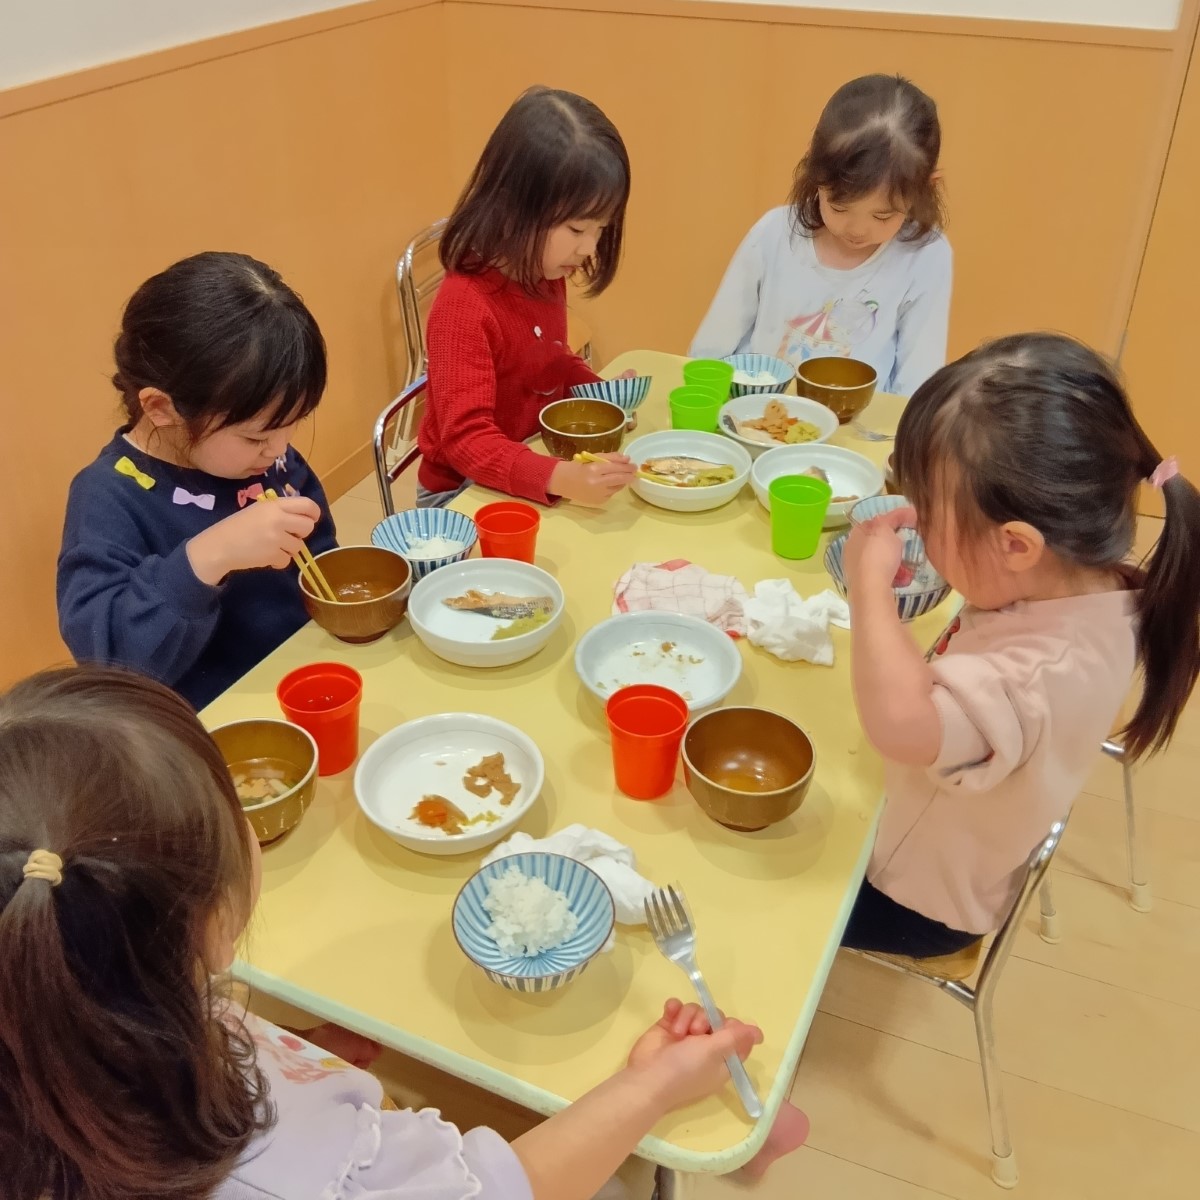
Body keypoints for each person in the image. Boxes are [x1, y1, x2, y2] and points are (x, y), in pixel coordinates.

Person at [0, 665, 765, 1200]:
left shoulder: (68, 1000)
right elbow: (505, 1188)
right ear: (215, 916)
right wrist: (653, 1085)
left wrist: (295, 1048)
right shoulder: (296, 1166)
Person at [841, 333, 1200, 957]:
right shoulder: (1101, 585)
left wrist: (867, 586)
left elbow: (901, 723)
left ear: (1017, 545)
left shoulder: (1039, 672)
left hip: (914, 897)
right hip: (960, 846)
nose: (918, 523)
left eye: (930, 511)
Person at [57, 252, 336, 712]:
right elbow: (112, 665)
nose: (278, 449)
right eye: (255, 436)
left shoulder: (266, 458)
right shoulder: (108, 496)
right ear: (161, 408)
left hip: (306, 676)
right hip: (212, 721)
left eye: (293, 424)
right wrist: (209, 556)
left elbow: (320, 555)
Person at [417, 87, 638, 508]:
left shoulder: (543, 269)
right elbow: (467, 441)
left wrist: (601, 397)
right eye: (577, 230)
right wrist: (560, 477)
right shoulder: (463, 306)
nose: (589, 248)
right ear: (514, 210)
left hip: (528, 459)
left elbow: (549, 361)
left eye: (601, 230)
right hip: (460, 492)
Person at [691, 74, 951, 398]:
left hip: (855, 433)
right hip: (753, 418)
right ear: (816, 173)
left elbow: (918, 383)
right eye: (839, 208)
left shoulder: (926, 256)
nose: (857, 230)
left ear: (925, 188)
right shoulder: (773, 234)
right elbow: (711, 350)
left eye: (883, 215)